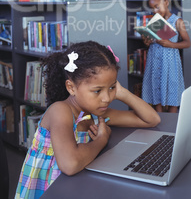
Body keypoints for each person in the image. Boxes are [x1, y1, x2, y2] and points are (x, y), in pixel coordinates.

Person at [15, 41, 160, 199]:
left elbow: (151, 119)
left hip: (77, 187)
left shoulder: (96, 113)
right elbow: (70, 165)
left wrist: (122, 92)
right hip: (49, 191)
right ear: (71, 88)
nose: (106, 98)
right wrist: (102, 139)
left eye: (112, 88)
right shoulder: (60, 111)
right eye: (97, 91)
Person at [142, 0, 191, 113]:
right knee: (155, 90)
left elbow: (187, 43)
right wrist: (146, 41)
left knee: (172, 90)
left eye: (157, 7)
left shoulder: (177, 21)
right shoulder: (154, 21)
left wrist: (171, 44)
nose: (154, 11)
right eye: (152, 8)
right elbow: (149, 42)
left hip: (170, 63)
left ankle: (172, 125)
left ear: (166, 2)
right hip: (154, 61)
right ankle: (159, 120)